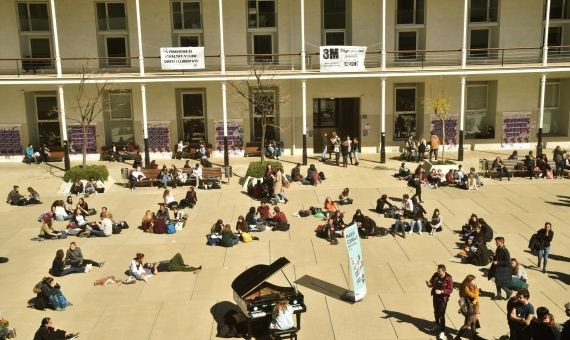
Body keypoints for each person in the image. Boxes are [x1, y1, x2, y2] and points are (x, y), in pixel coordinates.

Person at [426, 264, 453, 340]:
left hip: (443, 299)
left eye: (439, 270)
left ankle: (442, 331)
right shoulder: (435, 275)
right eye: (437, 270)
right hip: (435, 297)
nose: (437, 271)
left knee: (442, 314)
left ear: (444, 271)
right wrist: (429, 284)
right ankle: (437, 325)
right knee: (436, 312)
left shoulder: (448, 278)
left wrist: (441, 291)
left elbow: (450, 289)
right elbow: (431, 283)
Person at [455, 275, 481, 340]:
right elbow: (474, 296)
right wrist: (477, 289)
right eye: (473, 280)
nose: (475, 282)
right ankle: (457, 337)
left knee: (474, 322)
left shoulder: (470, 286)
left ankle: (474, 336)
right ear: (469, 281)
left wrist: (476, 289)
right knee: (467, 324)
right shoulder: (465, 288)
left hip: (473, 306)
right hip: (470, 308)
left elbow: (478, 294)